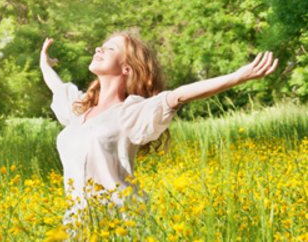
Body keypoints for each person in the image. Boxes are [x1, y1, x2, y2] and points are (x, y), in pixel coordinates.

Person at [39, 30, 278, 227]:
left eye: (110, 49)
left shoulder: (131, 112)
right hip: (78, 225)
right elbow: (57, 87)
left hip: (120, 223)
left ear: (127, 69)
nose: (98, 49)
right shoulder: (80, 111)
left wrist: (236, 77)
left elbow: (178, 96)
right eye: (101, 46)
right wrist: (44, 62)